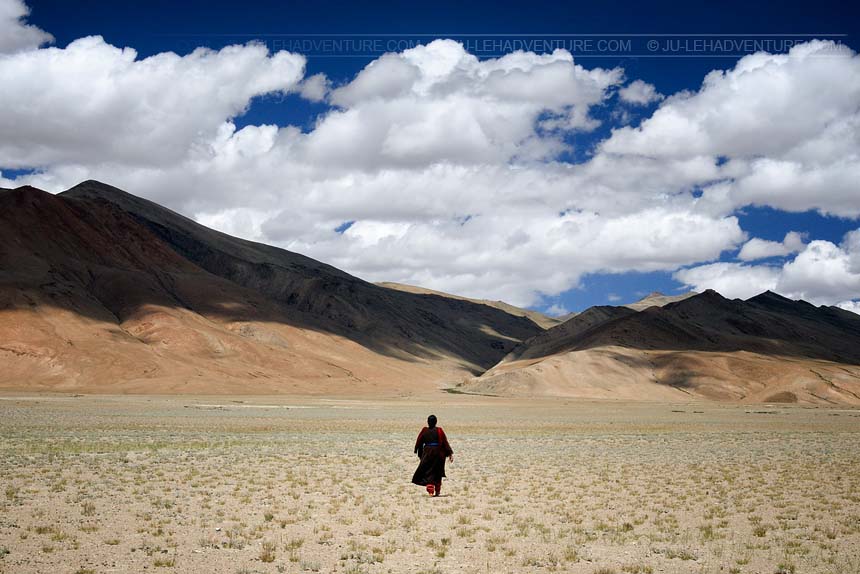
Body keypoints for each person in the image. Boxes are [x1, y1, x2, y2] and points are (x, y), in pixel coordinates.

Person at [411, 414, 454, 497]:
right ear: (436, 422)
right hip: (438, 453)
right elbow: (445, 442)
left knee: (428, 472)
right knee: (437, 472)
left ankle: (431, 491)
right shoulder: (439, 430)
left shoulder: (424, 430)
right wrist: (449, 453)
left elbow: (419, 441)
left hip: (427, 453)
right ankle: (437, 491)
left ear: (428, 422)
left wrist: (420, 452)